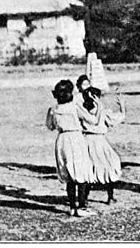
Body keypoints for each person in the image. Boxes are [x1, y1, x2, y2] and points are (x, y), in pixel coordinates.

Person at [45, 79, 98, 217]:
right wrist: (96, 107)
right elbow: (92, 120)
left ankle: (72, 207)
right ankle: (82, 207)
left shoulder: (53, 109)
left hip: (62, 140)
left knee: (68, 174)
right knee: (81, 171)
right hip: (75, 139)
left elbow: (50, 126)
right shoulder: (75, 106)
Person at [80, 86, 125, 205]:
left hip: (86, 141)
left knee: (88, 170)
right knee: (109, 166)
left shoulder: (81, 111)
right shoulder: (103, 111)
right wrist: (122, 107)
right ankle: (110, 197)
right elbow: (117, 119)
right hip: (99, 142)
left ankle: (84, 199)